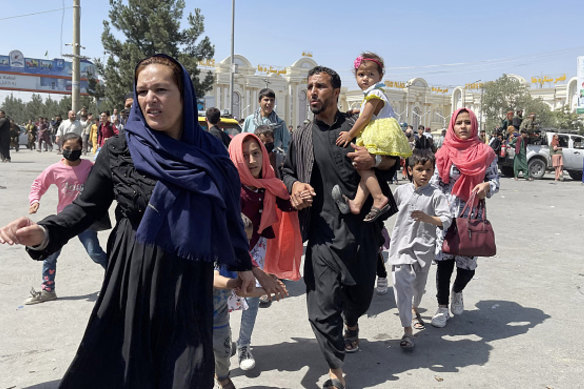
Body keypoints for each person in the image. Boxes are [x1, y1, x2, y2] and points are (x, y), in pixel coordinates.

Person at [0, 54, 256, 388]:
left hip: (188, 281)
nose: (150, 99)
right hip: (131, 276)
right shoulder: (120, 150)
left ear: (184, 95)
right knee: (126, 371)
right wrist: (44, 232)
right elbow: (85, 209)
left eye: (161, 89)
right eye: (143, 91)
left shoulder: (211, 151)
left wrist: (243, 263)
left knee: (186, 374)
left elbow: (227, 213)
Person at [281, 65, 399, 389]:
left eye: (319, 86)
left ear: (335, 92)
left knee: (359, 298)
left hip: (359, 232)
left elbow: (392, 159)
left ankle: (352, 321)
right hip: (321, 233)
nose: (312, 92)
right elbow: (287, 170)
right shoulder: (302, 135)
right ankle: (336, 373)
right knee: (320, 308)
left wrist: (373, 162)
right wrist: (293, 187)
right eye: (309, 87)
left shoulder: (357, 127)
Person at [228, 132, 297, 371]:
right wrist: (259, 274)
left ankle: (245, 344)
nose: (252, 160)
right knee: (225, 299)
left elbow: (283, 201)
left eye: (256, 153)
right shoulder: (230, 189)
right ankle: (226, 341)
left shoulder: (269, 181)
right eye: (244, 155)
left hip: (256, 245)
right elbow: (231, 236)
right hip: (229, 250)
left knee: (252, 302)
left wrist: (299, 198)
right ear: (236, 158)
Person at [430, 108, 499, 328]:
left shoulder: (485, 152)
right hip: (446, 216)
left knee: (468, 267)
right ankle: (441, 308)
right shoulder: (444, 151)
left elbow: (496, 181)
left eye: (467, 123)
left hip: (471, 216)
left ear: (474, 125)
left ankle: (457, 291)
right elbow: (434, 183)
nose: (463, 127)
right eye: (458, 123)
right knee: (444, 262)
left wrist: (488, 186)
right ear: (452, 125)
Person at [24, 132, 108, 305]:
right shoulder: (54, 169)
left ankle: (118, 278)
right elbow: (38, 184)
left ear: (82, 148)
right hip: (64, 220)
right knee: (50, 256)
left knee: (95, 253)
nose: (72, 151)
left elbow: (105, 181)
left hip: (85, 219)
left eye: (76, 148)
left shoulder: (89, 166)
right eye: (68, 148)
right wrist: (35, 200)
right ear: (61, 147)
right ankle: (48, 290)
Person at [333, 52, 412, 222]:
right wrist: (357, 110)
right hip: (381, 129)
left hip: (380, 133)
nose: (365, 78)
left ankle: (379, 198)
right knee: (366, 168)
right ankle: (357, 203)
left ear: (380, 76)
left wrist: (350, 134)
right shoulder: (373, 94)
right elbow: (367, 112)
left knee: (362, 164)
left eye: (371, 74)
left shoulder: (375, 93)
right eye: (361, 74)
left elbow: (365, 118)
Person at [389, 149, 451, 349]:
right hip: (401, 246)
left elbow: (446, 219)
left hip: (424, 249)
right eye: (419, 169)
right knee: (401, 283)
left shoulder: (436, 195)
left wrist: (428, 218)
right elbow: (387, 208)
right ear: (409, 170)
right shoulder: (401, 191)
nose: (424, 174)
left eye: (428, 170)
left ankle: (414, 308)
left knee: (417, 286)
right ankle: (407, 330)